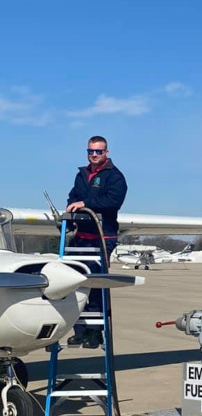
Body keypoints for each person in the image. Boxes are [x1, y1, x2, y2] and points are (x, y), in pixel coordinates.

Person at [66, 136, 127, 348]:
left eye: (98, 151)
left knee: (95, 285)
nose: (94, 155)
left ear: (106, 153)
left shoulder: (115, 177)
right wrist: (71, 209)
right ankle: (80, 330)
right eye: (90, 151)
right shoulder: (81, 174)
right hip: (81, 239)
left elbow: (113, 201)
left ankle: (95, 332)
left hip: (102, 238)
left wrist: (86, 203)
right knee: (74, 283)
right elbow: (73, 196)